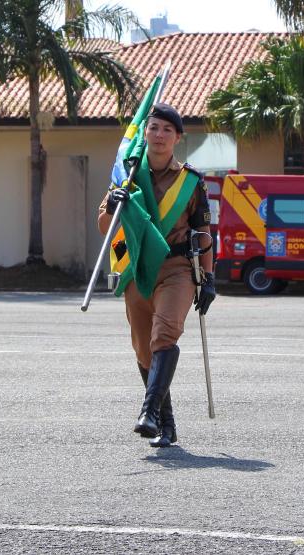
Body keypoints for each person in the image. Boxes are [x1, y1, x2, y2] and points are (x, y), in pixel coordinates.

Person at [97, 103, 215, 448]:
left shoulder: (190, 181)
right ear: (144, 134)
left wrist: (208, 279)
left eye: (167, 129)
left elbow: (204, 232)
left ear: (178, 137)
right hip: (138, 269)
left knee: (165, 334)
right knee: (143, 349)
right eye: (154, 128)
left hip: (178, 268)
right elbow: (104, 228)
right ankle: (166, 421)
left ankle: (147, 412)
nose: (159, 135)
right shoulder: (127, 176)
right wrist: (116, 205)